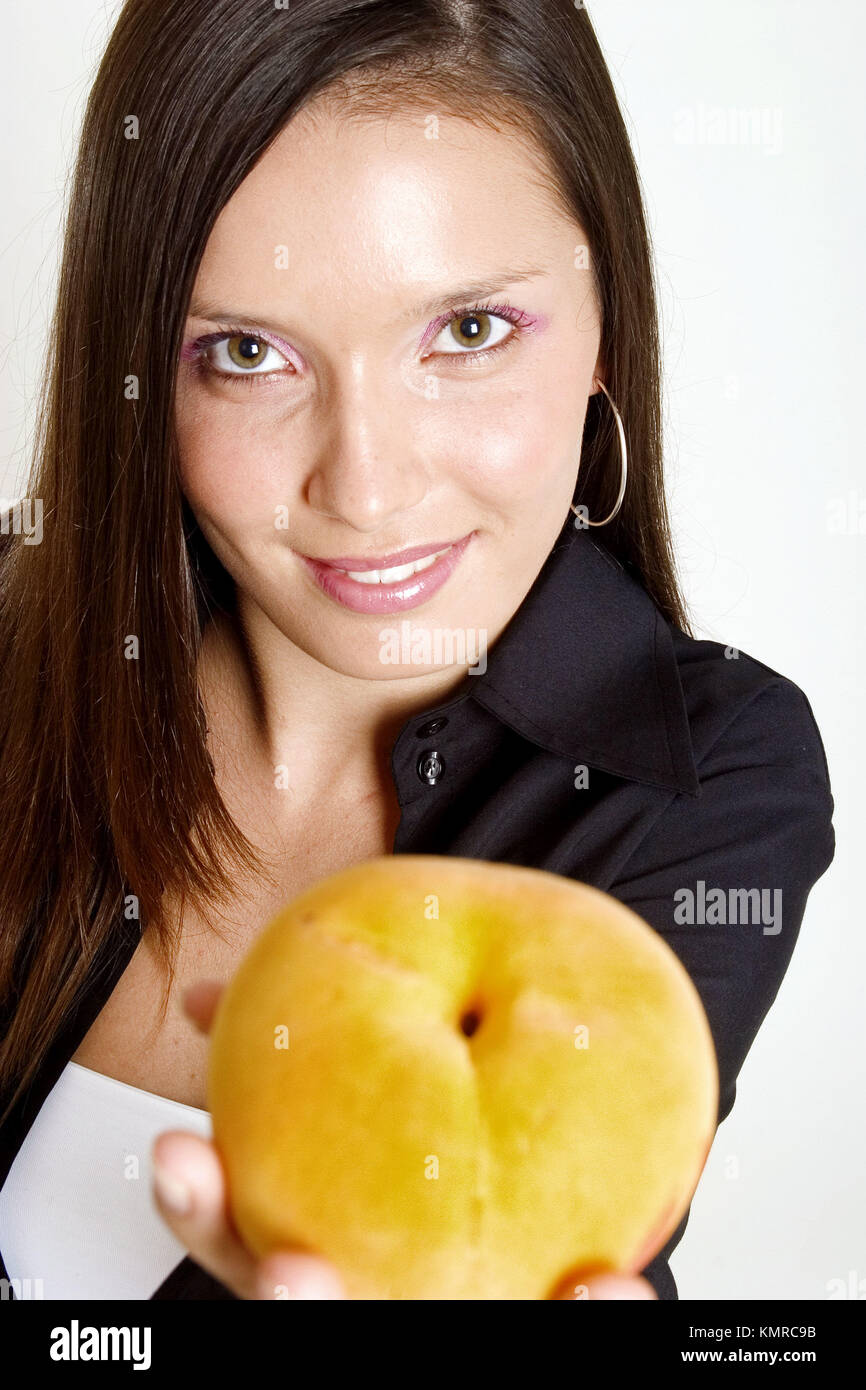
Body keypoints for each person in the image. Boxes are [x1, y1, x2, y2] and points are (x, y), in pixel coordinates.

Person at [0, 0, 834, 1301]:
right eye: (245, 353)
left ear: (608, 317)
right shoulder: (17, 644)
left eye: (467, 332)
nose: (369, 487)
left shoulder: (705, 776)